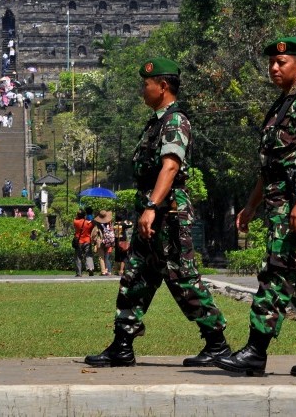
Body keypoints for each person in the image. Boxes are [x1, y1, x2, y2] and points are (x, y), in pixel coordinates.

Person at [85, 57, 229, 368]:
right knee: (135, 277)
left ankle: (217, 343)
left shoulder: (175, 122)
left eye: (146, 84)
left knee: (182, 278)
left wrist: (151, 207)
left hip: (167, 214)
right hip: (151, 215)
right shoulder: (157, 122)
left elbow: (171, 166)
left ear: (162, 86)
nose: (142, 90)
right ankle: (122, 344)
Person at [214, 36, 296, 377]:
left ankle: (256, 351)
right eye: (271, 62)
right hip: (277, 202)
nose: (274, 68)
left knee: (275, 271)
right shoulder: (281, 106)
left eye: (281, 63)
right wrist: (250, 205)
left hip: (291, 205)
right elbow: (271, 165)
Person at [72, 210, 95, 277]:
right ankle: (90, 268)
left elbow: (75, 219)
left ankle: (79, 273)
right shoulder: (88, 223)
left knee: (78, 257)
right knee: (88, 255)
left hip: (79, 241)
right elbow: (92, 226)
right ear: (84, 215)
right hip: (87, 240)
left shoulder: (76, 222)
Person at [93, 210, 114, 276]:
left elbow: (94, 234)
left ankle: (103, 271)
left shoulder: (98, 224)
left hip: (101, 241)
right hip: (108, 242)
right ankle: (108, 270)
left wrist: (94, 242)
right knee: (106, 257)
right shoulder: (109, 224)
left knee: (101, 257)